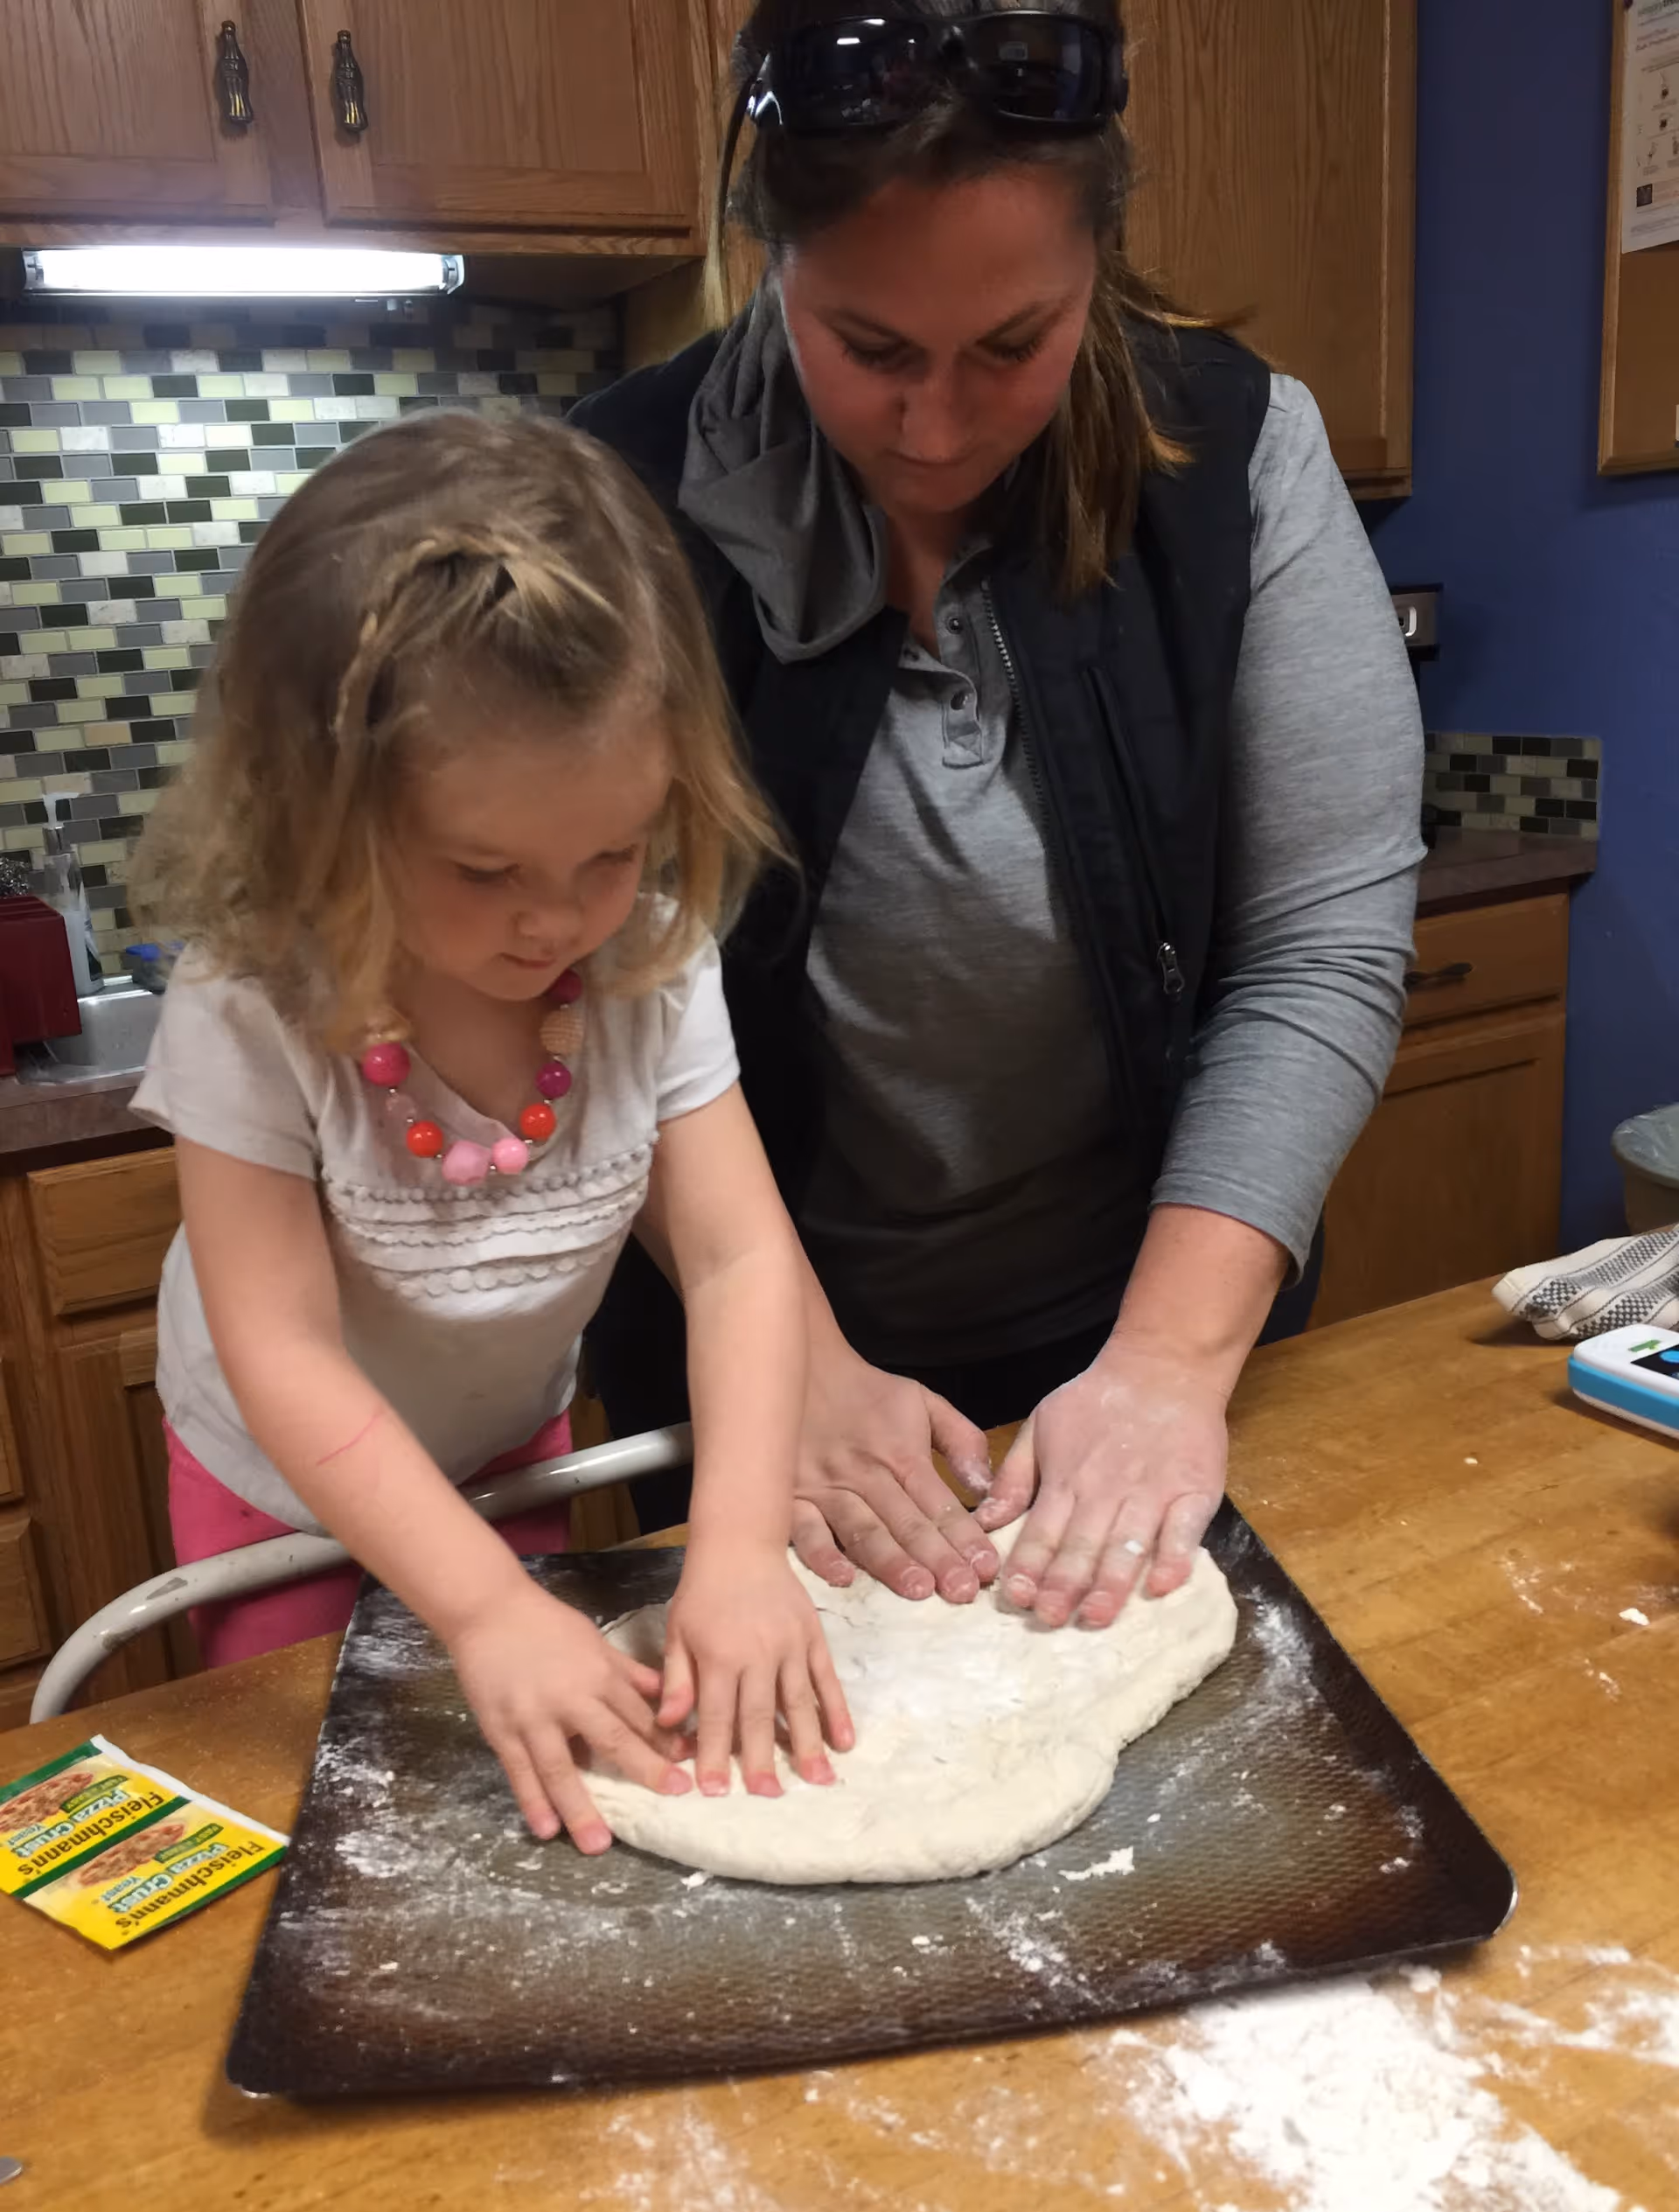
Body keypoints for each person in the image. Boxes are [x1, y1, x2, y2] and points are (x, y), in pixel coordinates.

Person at [574, 0, 1425, 1630]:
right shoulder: (614, 505)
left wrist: (1167, 1367)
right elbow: (595, 991)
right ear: (769, 257)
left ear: (1100, 257)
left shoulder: (1238, 453)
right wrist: (790, 1363)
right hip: (762, 1374)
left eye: (1013, 345)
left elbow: (1318, 946)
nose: (938, 428)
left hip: (1144, 1339)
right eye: (872, 348)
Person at [129, 411, 853, 1851]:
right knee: (349, 1827)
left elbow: (735, 1262)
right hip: (280, 1488)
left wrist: (736, 1549)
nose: (556, 918)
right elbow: (281, 1350)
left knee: (524, 1793)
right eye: (484, 869)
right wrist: (477, 1606)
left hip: (508, 1452)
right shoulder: (251, 1004)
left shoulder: (643, 962)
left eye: (611, 852)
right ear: (320, 817)